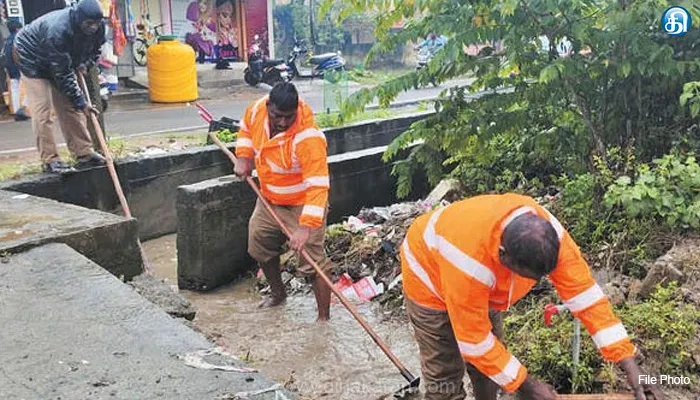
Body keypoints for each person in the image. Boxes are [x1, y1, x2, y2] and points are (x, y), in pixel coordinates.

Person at [400, 193, 663, 400]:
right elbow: (475, 342)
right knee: (444, 377)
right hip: (428, 277)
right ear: (503, 256)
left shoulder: (549, 238)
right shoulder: (469, 264)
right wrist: (527, 386)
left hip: (481, 280)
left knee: (487, 369)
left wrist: (632, 370)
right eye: (527, 275)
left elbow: (588, 301)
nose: (534, 283)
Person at [234, 82, 332, 321]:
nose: (283, 123)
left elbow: (318, 186)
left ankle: (323, 320)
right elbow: (246, 130)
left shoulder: (308, 137)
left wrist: (305, 228)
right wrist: (243, 158)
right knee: (259, 243)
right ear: (269, 106)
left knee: (313, 263)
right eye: (278, 116)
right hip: (270, 198)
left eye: (289, 117)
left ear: (296, 110)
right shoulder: (257, 110)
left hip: (302, 203)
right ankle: (278, 295)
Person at [14, 0, 107, 174]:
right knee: (43, 110)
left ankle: (84, 153)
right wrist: (81, 102)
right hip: (31, 57)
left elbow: (95, 50)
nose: (93, 27)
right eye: (89, 24)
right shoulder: (58, 30)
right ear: (79, 18)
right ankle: (50, 160)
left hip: (61, 60)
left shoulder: (99, 28)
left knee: (71, 108)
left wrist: (85, 64)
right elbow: (62, 75)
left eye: (96, 23)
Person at [2, 19, 30, 121]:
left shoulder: (7, 40)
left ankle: (17, 109)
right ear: (18, 28)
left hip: (10, 66)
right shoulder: (19, 38)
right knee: (30, 86)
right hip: (19, 65)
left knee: (15, 88)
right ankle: (23, 106)